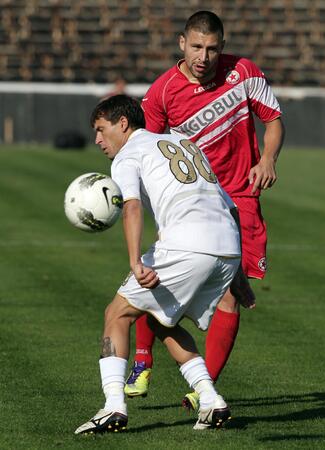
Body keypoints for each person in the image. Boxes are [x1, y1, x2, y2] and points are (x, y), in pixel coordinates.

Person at [124, 10, 285, 410]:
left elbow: (274, 120)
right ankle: (142, 361)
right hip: (191, 199)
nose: (204, 56)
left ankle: (204, 387)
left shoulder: (244, 72)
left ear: (222, 48)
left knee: (231, 296)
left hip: (242, 195)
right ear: (182, 43)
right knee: (157, 273)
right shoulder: (162, 92)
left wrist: (267, 159)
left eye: (212, 48)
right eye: (196, 46)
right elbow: (148, 149)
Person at [74, 94, 242, 434]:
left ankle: (113, 407)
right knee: (163, 321)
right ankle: (210, 400)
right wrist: (237, 274)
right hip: (228, 245)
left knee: (116, 314)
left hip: (187, 245)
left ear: (122, 124)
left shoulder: (127, 154)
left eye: (101, 129)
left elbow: (132, 208)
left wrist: (136, 261)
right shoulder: (181, 140)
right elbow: (230, 205)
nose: (97, 140)